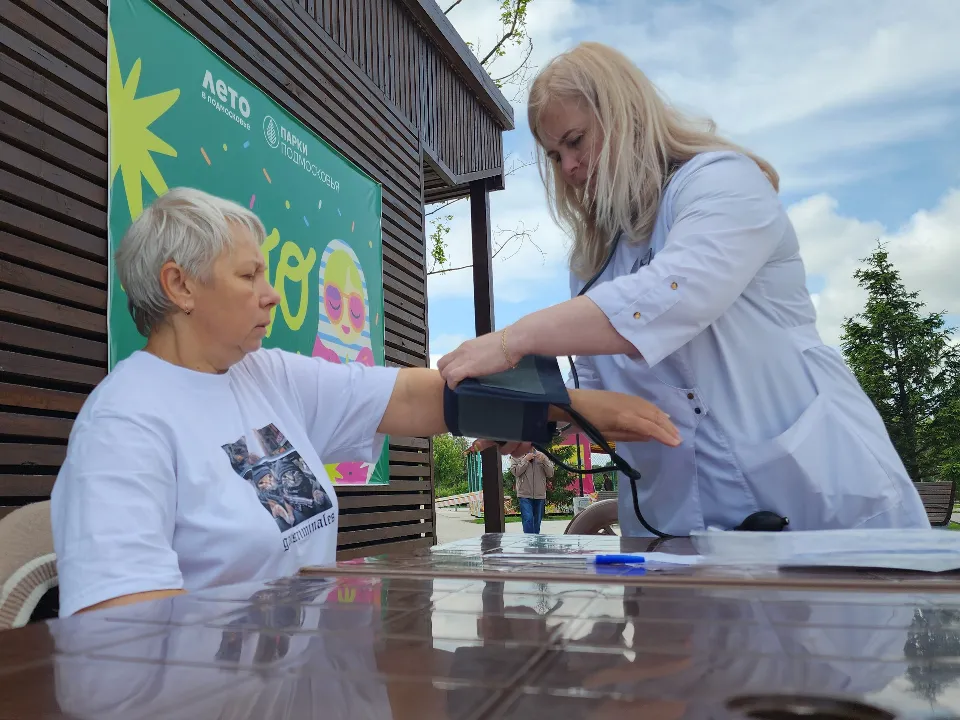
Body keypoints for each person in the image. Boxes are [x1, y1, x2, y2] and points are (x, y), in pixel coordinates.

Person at [49, 187, 681, 618]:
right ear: (179, 285)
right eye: (249, 277)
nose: (270, 296)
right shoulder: (123, 426)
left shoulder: (267, 376)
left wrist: (566, 408)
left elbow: (415, 398)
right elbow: (120, 641)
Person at [437, 42, 930, 536]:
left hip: (816, 504)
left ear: (628, 116)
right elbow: (604, 401)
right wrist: (539, 419)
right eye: (554, 154)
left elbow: (672, 296)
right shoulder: (592, 260)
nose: (567, 166)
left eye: (577, 140)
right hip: (674, 524)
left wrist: (512, 340)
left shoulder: (722, 183)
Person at [510, 449, 555, 533]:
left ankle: (535, 541)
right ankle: (529, 542)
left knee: (537, 522)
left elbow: (550, 473)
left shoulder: (542, 455)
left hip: (540, 494)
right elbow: (515, 472)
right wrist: (525, 459)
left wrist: (545, 460)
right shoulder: (516, 455)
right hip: (524, 494)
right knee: (528, 519)